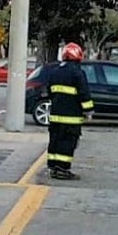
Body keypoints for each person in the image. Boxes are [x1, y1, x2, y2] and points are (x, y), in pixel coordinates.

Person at [45, 42, 94, 180]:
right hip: (71, 118)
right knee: (67, 143)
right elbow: (84, 94)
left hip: (55, 117)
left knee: (54, 141)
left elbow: (50, 92)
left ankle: (54, 167)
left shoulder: (55, 72)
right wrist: (88, 111)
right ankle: (63, 169)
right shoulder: (78, 73)